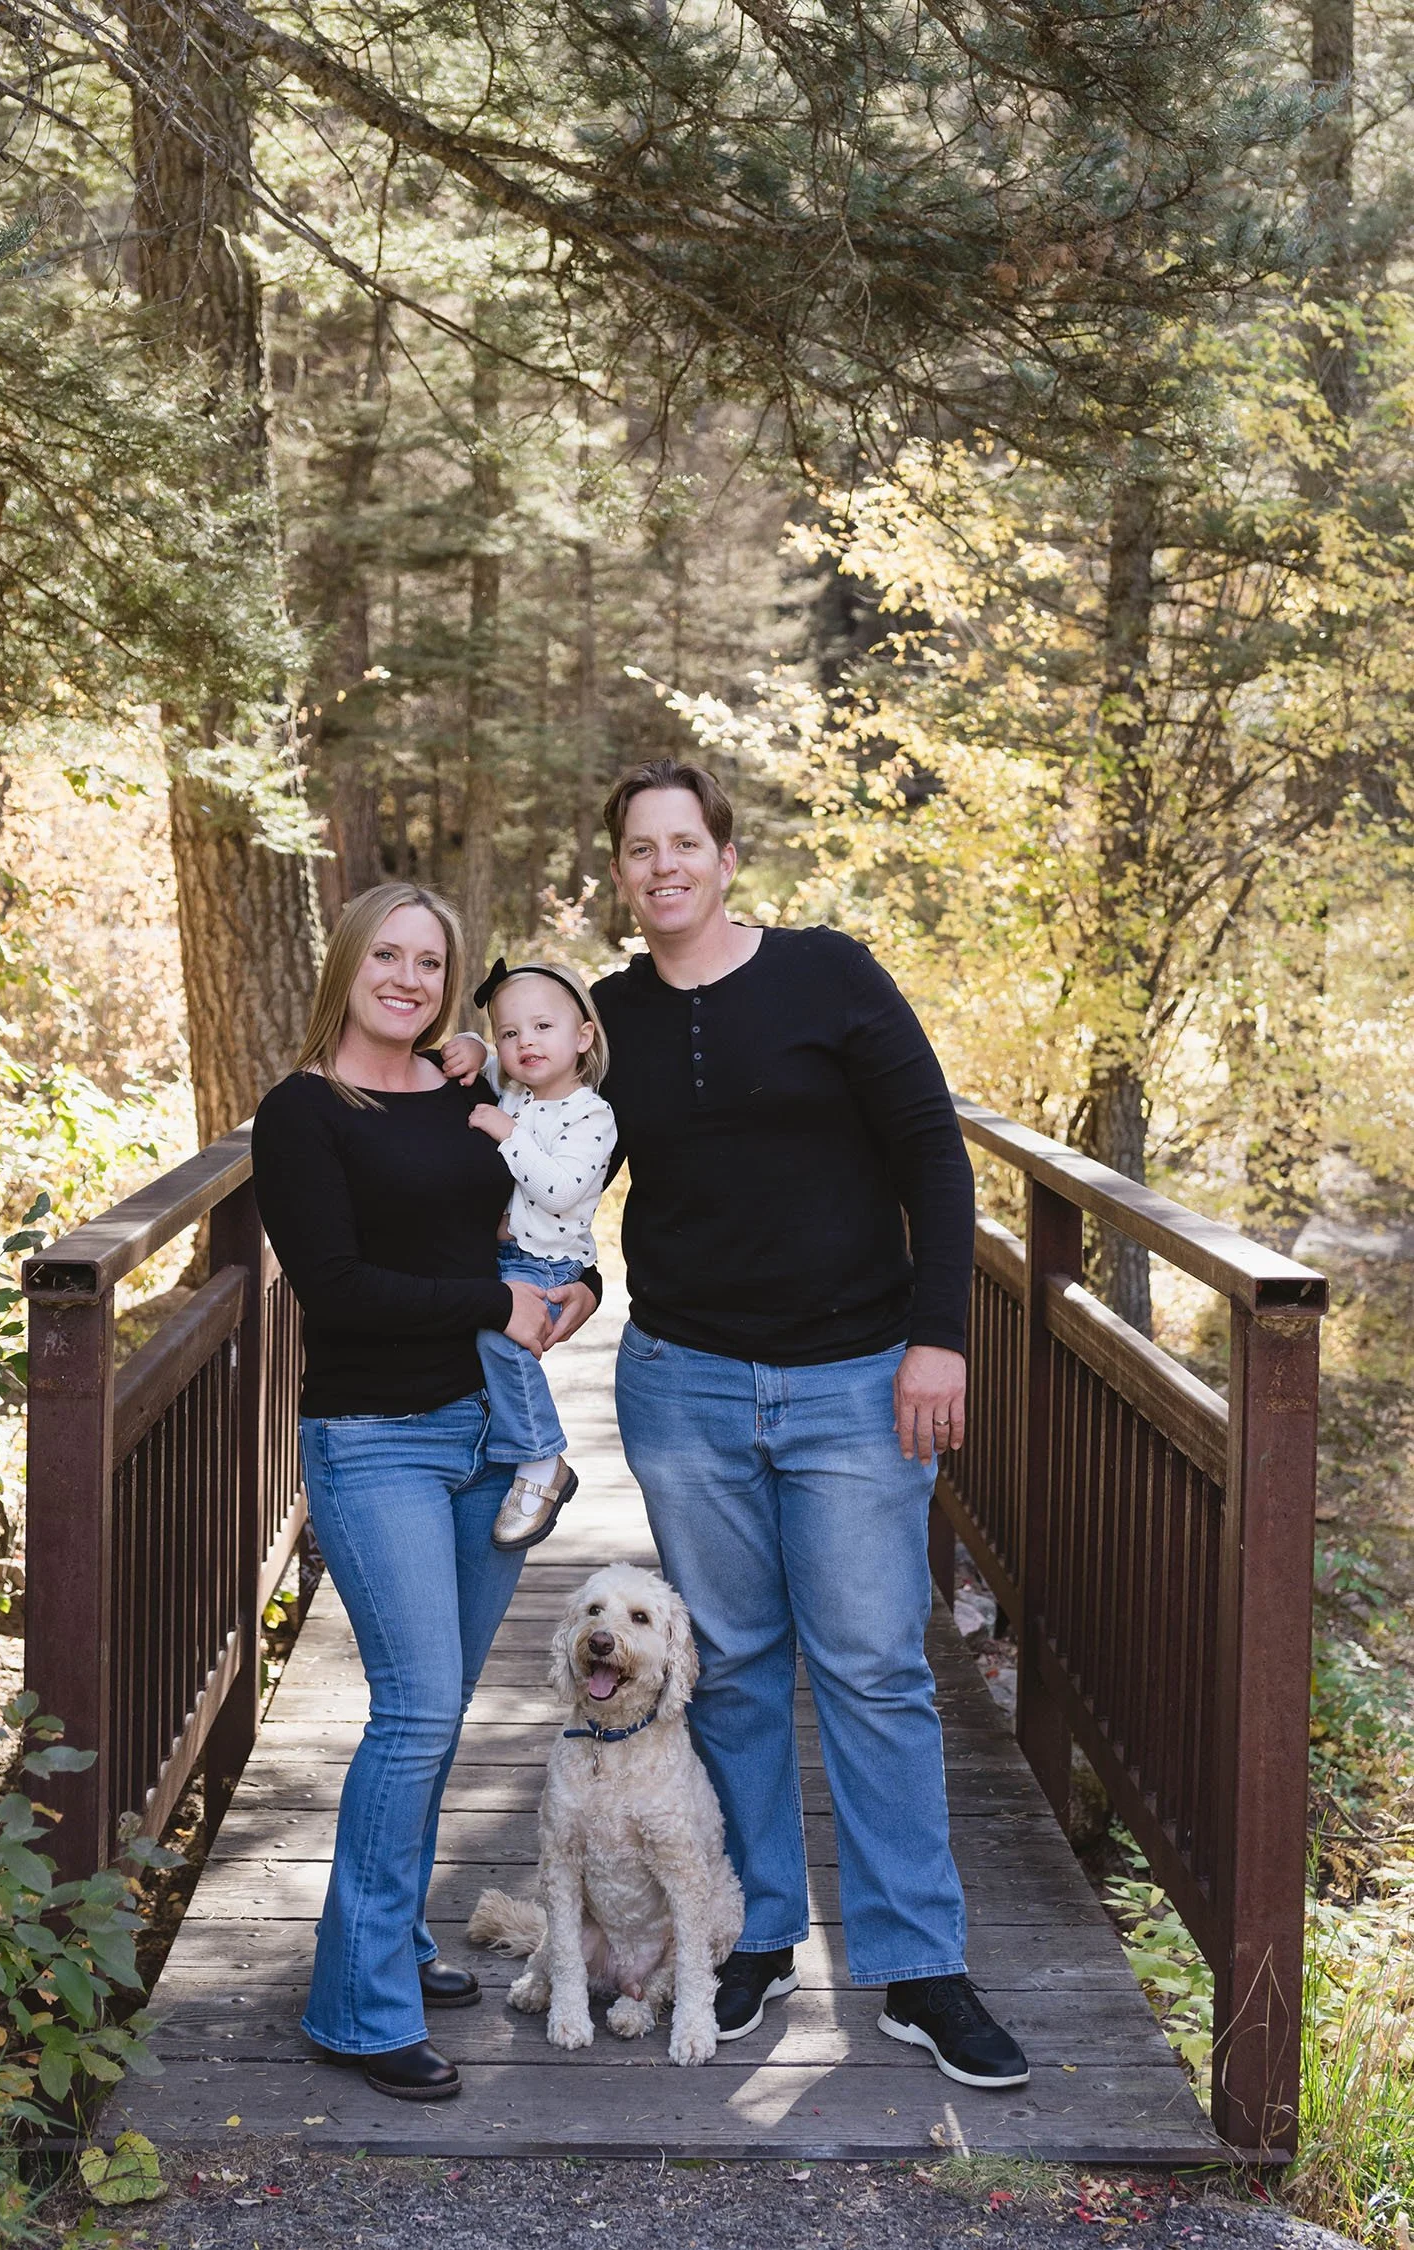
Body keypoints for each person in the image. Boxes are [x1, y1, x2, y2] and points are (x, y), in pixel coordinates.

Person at [589, 757, 1030, 2090]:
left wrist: (938, 1334)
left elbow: (934, 1160)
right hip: (685, 1385)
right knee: (726, 1669)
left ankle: (919, 1964)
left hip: (853, 1381)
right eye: (638, 850)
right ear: (621, 874)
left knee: (875, 1669)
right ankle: (757, 1931)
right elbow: (547, 1156)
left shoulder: (832, 973)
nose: (663, 866)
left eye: (685, 843)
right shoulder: (609, 1018)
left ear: (726, 856)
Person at [251, 883, 599, 2103]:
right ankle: (354, 2008)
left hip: (490, 1437)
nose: (406, 976)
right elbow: (337, 1288)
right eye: (387, 955)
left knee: (438, 1711)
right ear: (347, 963)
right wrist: (489, 1306)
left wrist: (570, 1302)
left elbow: (542, 1223)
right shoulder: (301, 1113)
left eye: (429, 961)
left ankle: (390, 1941)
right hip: (375, 1436)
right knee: (412, 1711)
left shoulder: (470, 1091)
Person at [461, 958, 617, 1550]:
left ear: (582, 1038)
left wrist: (507, 1132)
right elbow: (483, 1058)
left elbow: (561, 1190)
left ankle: (540, 1458)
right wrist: (474, 1046)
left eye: (543, 1027)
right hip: (506, 1258)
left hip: (548, 1265)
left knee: (500, 1341)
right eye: (509, 1032)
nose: (525, 1041)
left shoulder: (590, 1115)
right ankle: (494, 1457)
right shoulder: (516, 1092)